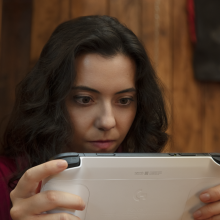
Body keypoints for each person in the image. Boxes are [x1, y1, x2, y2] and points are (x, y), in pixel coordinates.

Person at [0, 15, 219, 220]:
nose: (107, 122)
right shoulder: (6, 177)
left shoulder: (150, 176)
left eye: (124, 100)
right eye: (85, 99)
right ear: (51, 98)